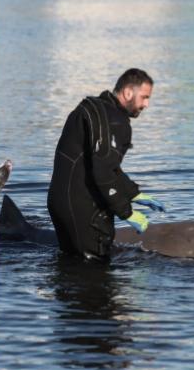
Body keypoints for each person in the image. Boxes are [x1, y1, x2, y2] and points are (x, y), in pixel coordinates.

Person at [47, 68, 164, 261]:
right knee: (93, 268)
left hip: (60, 202)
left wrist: (132, 193)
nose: (146, 104)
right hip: (84, 209)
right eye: (144, 97)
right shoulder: (115, 121)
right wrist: (126, 212)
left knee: (70, 264)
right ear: (128, 92)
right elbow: (103, 172)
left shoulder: (92, 109)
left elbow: (101, 165)